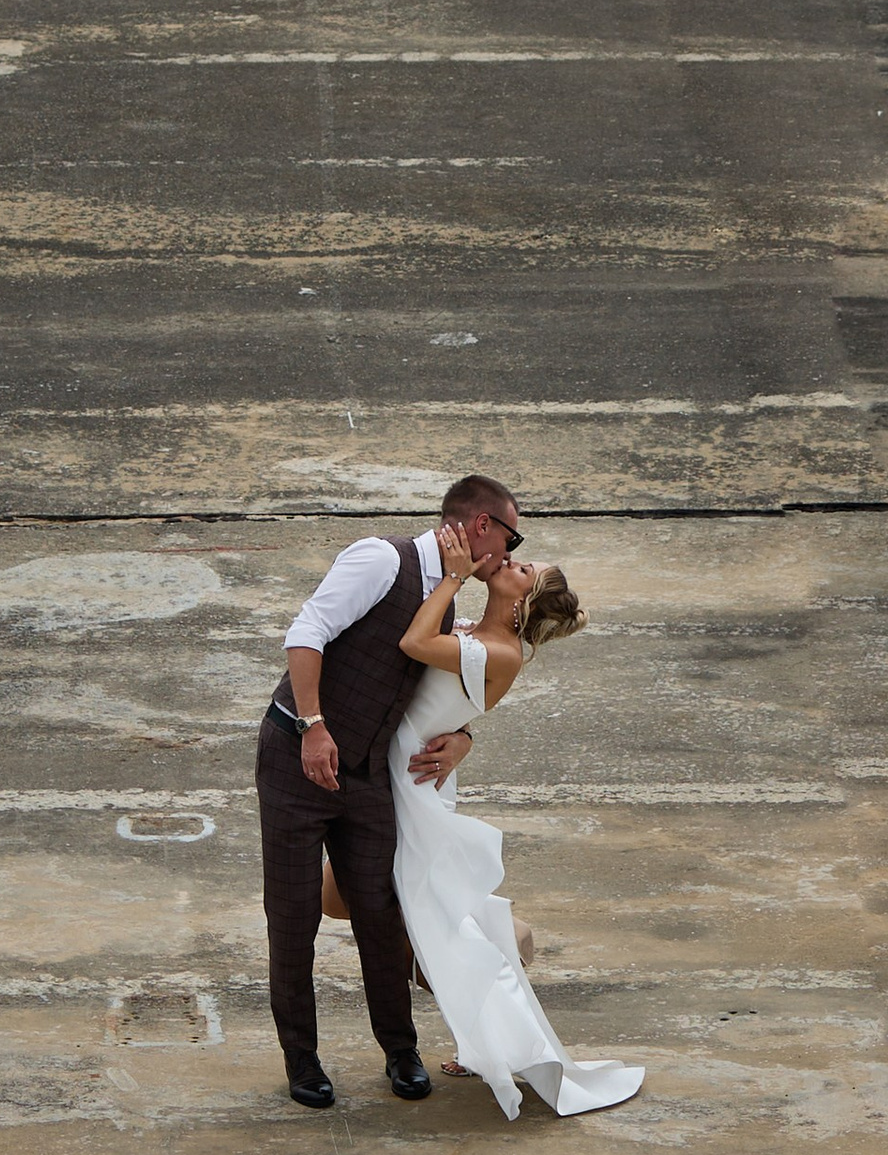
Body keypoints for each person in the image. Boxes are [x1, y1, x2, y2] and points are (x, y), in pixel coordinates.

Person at [256, 477, 521, 1109]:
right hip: (299, 758)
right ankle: (302, 1060)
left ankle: (399, 1051)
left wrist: (463, 741)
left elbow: (432, 698)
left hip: (371, 774)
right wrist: (312, 726)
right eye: (512, 537)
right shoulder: (382, 558)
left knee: (380, 913)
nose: (511, 552)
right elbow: (306, 632)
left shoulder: (448, 602)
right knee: (293, 918)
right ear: (481, 525)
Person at [386, 530, 644, 1117]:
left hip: (413, 789)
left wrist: (452, 573)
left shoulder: (499, 652)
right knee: (411, 911)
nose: (513, 561)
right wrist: (465, 738)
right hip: (413, 778)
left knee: (427, 917)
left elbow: (412, 641)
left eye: (524, 568)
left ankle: (498, 1011)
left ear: (521, 601)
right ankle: (500, 952)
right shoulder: (481, 638)